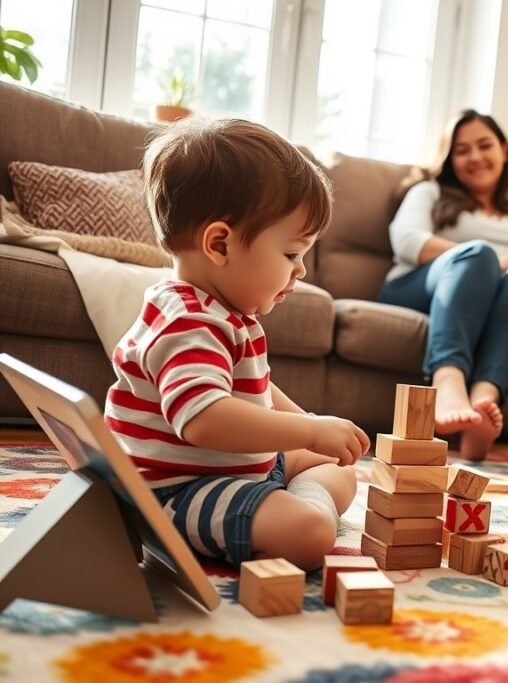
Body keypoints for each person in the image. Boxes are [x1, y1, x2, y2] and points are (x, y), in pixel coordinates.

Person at [104, 118, 369, 571]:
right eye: (291, 254)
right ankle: (298, 515)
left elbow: (258, 389)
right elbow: (205, 420)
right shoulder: (187, 321)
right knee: (310, 533)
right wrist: (308, 431)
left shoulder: (224, 312)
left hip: (234, 468)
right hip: (177, 491)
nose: (301, 270)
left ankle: (286, 504)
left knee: (338, 467)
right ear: (220, 244)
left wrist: (308, 423)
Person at [381, 109, 508, 460]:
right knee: (478, 255)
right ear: (449, 159)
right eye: (462, 150)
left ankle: (482, 403)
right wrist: (497, 260)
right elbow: (407, 242)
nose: (475, 157)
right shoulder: (429, 192)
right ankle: (447, 384)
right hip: (423, 287)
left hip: (504, 301)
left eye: (484, 145)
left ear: (504, 150)